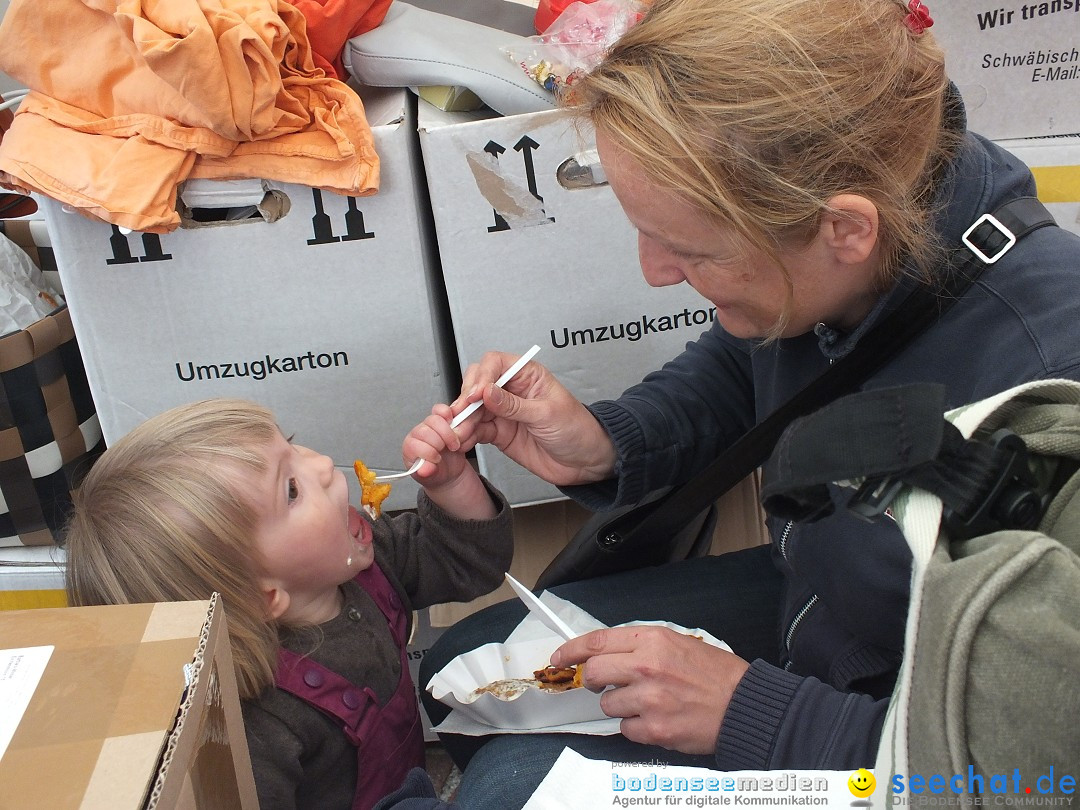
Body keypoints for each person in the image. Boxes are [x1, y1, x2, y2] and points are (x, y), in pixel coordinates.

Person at [415, 0, 1080, 806]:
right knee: (469, 663)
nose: (654, 271)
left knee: (513, 787)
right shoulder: (893, 192)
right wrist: (606, 442)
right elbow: (751, 359)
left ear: (846, 230)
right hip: (824, 608)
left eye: (692, 249)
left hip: (910, 724)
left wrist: (753, 714)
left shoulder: (1047, 403)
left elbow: (1036, 771)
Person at [64, 397, 515, 810]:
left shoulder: (361, 565)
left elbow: (467, 561)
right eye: (292, 490)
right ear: (265, 596)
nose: (322, 465)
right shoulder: (261, 725)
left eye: (294, 447)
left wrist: (452, 481)